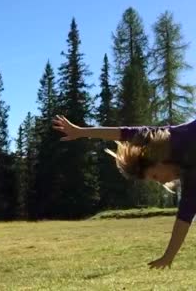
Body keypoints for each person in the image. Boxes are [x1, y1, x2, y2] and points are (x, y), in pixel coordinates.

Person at [52, 115, 196, 269]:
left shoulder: (175, 138)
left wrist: (81, 131)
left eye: (155, 176)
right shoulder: (191, 180)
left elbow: (123, 133)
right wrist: (168, 256)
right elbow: (184, 218)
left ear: (157, 159)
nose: (161, 182)